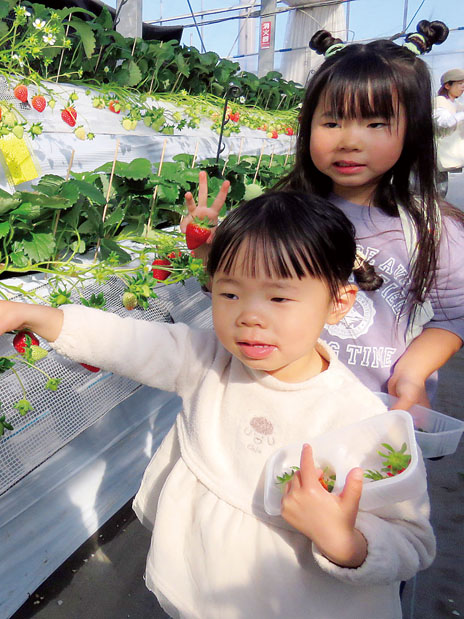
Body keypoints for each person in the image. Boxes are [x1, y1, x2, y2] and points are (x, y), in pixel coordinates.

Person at [0, 192, 435, 619]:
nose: (249, 315)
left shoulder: (362, 421)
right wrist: (29, 314)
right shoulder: (210, 360)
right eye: (229, 293)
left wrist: (344, 542)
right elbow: (127, 341)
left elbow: (412, 540)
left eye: (279, 297)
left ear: (339, 302)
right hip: (197, 586)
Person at [183, 21, 464, 412]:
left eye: (376, 123)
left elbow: (452, 318)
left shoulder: (432, 229)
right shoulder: (284, 212)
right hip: (276, 405)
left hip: (373, 412)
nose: (349, 140)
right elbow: (237, 284)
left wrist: (413, 372)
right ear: (308, 126)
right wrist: (205, 243)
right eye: (331, 122)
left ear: (412, 131)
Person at [434, 67, 464, 196]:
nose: (463, 87)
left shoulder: (457, 104)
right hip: (436, 155)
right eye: (459, 83)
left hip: (446, 155)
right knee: (435, 191)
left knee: (441, 190)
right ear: (447, 85)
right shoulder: (439, 101)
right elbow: (444, 122)